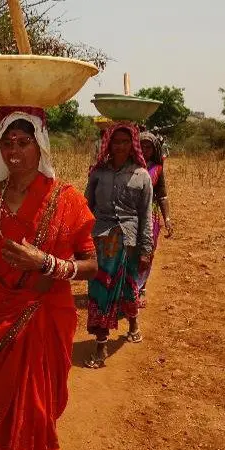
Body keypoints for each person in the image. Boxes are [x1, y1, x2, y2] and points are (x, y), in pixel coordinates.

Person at [0, 106, 98, 450]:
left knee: (34, 410)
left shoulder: (67, 199)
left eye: (23, 142)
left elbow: (91, 265)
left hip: (42, 319)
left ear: (40, 146)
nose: (14, 151)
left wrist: (45, 263)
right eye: (7, 143)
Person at [83, 122, 153, 368]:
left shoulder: (142, 176)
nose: (120, 146)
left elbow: (146, 216)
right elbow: (85, 209)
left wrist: (146, 249)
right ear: (108, 144)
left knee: (127, 286)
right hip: (101, 240)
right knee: (100, 290)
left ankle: (133, 322)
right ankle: (101, 344)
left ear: (132, 145)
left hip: (129, 241)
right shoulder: (98, 174)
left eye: (125, 141)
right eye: (116, 141)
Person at [136, 132, 174, 305]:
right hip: (130, 215)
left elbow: (163, 196)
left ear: (155, 148)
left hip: (150, 216)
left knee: (147, 252)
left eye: (148, 146)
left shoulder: (157, 169)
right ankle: (128, 288)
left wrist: (167, 219)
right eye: (141, 146)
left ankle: (140, 287)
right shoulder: (130, 165)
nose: (145, 150)